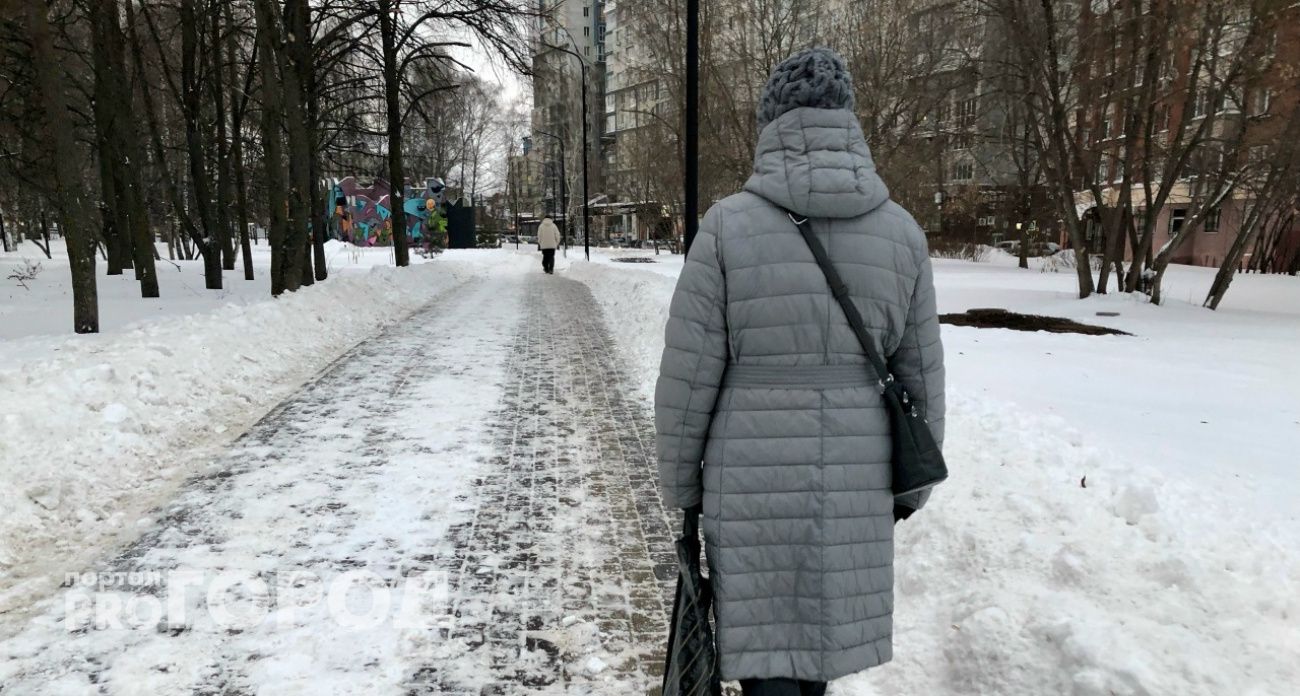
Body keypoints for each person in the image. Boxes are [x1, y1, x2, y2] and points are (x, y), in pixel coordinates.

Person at [654, 48, 945, 696]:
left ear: (771, 125)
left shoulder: (725, 229)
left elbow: (687, 379)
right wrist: (909, 491)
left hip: (749, 478)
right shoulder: (903, 235)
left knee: (768, 654)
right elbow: (922, 379)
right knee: (816, 658)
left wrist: (682, 486)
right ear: (849, 122)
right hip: (857, 474)